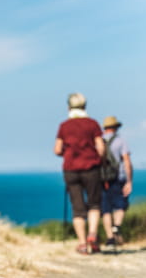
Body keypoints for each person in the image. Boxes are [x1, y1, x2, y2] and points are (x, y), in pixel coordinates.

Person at [54, 93, 105, 254]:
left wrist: (68, 153)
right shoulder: (92, 124)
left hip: (71, 169)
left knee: (77, 208)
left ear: (69, 107)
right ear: (85, 106)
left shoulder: (64, 126)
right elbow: (101, 148)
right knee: (94, 204)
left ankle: (82, 244)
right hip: (91, 168)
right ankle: (92, 235)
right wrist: (97, 158)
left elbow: (57, 149)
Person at [101, 116, 133, 248]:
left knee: (105, 208)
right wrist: (129, 181)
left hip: (102, 179)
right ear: (116, 127)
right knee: (120, 205)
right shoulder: (120, 141)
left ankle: (109, 238)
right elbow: (126, 161)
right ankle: (117, 226)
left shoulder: (99, 141)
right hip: (118, 177)